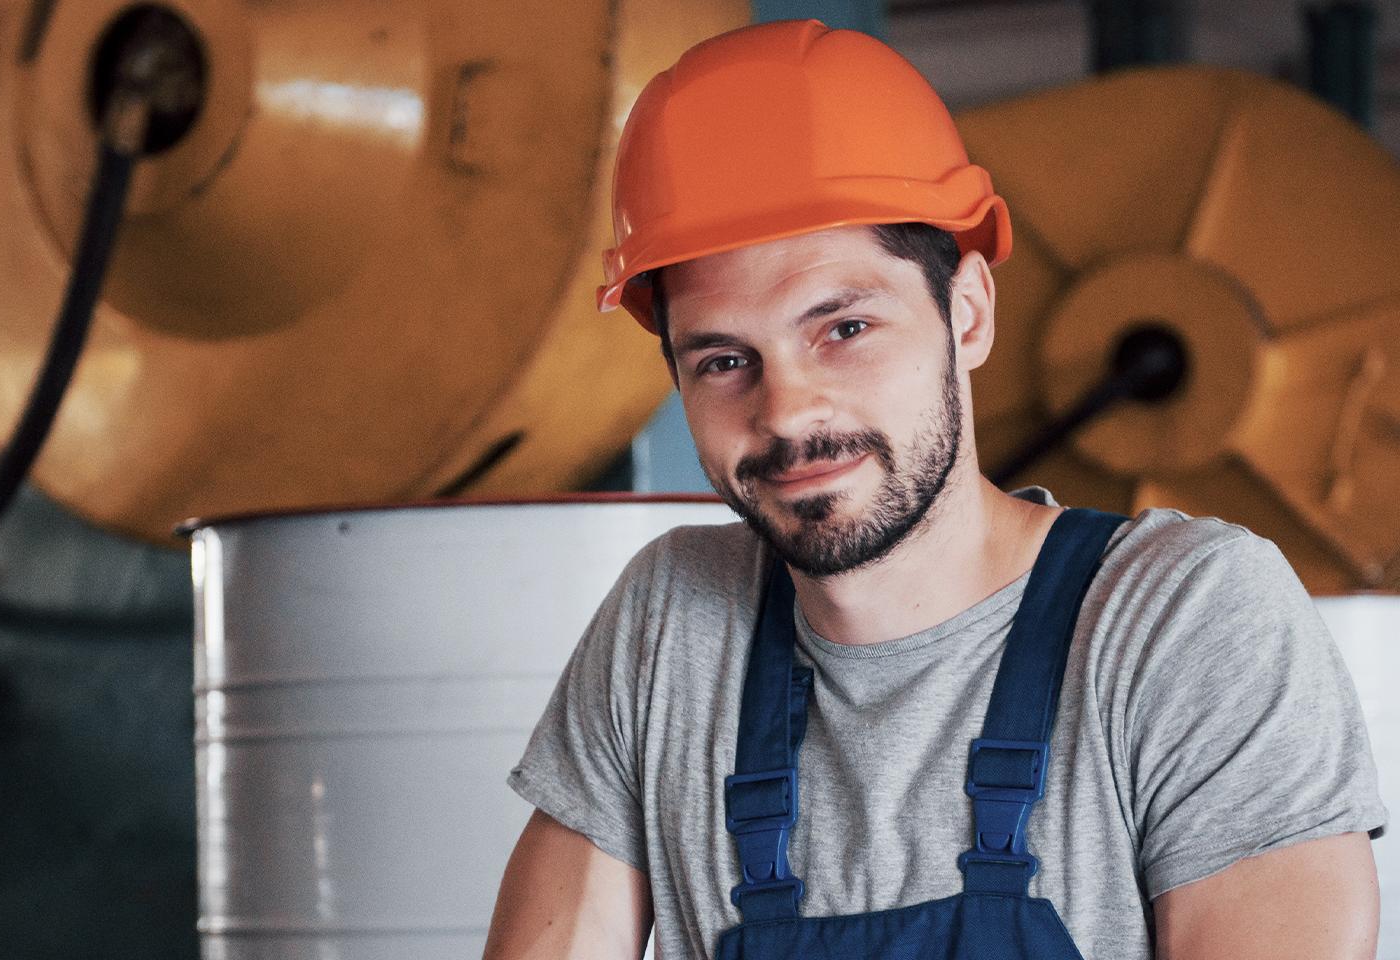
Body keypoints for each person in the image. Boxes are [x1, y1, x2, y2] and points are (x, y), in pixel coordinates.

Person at [482, 19, 1384, 960]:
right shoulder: (670, 627)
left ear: (968, 314)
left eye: (844, 329)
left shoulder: (1183, 619)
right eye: (723, 359)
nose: (787, 412)